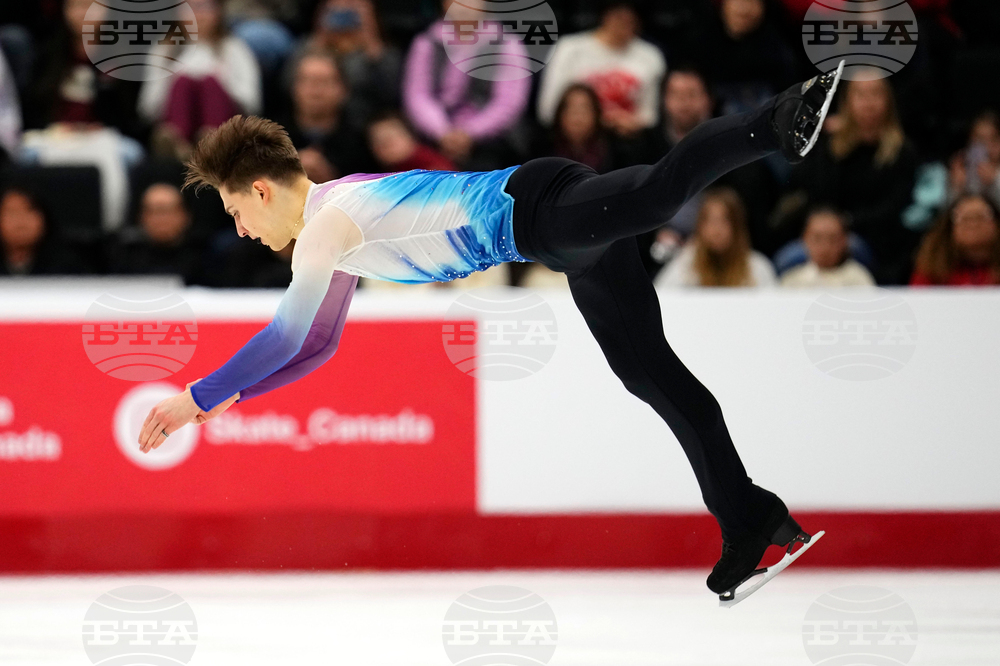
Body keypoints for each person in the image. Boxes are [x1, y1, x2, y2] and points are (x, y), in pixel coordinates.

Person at [137, 64, 847, 603]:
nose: (239, 230)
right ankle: (750, 518)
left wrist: (196, 396)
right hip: (550, 237)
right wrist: (239, 393)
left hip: (539, 207)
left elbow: (284, 334)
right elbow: (317, 343)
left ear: (261, 190)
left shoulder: (325, 227)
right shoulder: (334, 224)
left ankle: (782, 119)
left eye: (234, 209)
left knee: (660, 194)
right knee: (648, 373)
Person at [783, 75, 919, 284]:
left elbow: (896, 204)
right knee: (787, 260)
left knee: (856, 250)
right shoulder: (832, 144)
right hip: (827, 230)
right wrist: (827, 141)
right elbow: (816, 191)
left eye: (876, 94)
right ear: (848, 101)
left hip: (877, 237)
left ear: (888, 101)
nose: (869, 103)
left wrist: (848, 223)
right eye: (861, 95)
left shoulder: (901, 151)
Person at [537, 1, 666, 137]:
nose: (624, 24)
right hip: (577, 139)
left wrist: (632, 122)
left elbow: (651, 116)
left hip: (630, 140)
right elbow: (548, 110)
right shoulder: (569, 49)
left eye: (631, 20)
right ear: (605, 16)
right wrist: (595, 121)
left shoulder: (651, 56)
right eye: (618, 17)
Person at [654, 187, 776, 288]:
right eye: (710, 221)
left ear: (737, 226)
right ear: (699, 227)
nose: (716, 230)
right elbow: (662, 298)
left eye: (724, 221)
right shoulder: (684, 266)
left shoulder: (757, 268)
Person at [910, 193, 1000, 286]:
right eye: (964, 219)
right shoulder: (931, 269)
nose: (973, 224)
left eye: (981, 217)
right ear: (949, 227)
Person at [780, 208, 876, 288]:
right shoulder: (792, 281)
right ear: (804, 239)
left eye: (833, 239)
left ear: (844, 241)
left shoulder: (859, 279)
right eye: (817, 238)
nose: (825, 247)